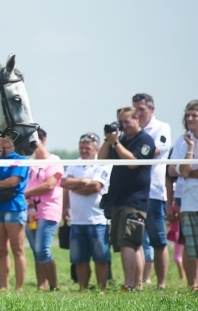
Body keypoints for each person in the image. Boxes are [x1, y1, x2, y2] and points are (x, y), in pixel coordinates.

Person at [100, 106, 156, 291]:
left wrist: (116, 143)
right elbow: (100, 158)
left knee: (128, 243)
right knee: (131, 244)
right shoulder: (121, 139)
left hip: (134, 201)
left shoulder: (145, 140)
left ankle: (130, 284)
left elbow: (132, 163)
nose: (124, 126)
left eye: (127, 121)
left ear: (137, 118)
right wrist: (109, 139)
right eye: (120, 122)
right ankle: (135, 285)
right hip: (118, 199)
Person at [61, 132, 111, 290]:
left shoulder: (102, 164)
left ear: (96, 149)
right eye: (81, 147)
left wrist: (74, 187)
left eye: (87, 148)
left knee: (101, 258)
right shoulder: (73, 163)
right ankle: (83, 288)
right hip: (77, 220)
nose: (83, 150)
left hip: (98, 220)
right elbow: (63, 183)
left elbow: (96, 187)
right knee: (79, 259)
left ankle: (102, 288)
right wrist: (82, 182)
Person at [132, 93, 172, 289]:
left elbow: (155, 151)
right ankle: (139, 281)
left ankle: (161, 283)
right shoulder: (130, 130)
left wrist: (135, 150)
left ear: (151, 109)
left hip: (154, 192)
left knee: (158, 240)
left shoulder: (162, 128)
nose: (138, 114)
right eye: (135, 110)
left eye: (141, 109)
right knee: (136, 240)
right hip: (134, 193)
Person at [0, 137, 29, 291]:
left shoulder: (21, 158)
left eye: (8, 137)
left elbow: (13, 181)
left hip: (14, 206)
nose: (4, 139)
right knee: (1, 250)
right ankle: (3, 287)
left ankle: (19, 287)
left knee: (17, 249)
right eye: (2, 136)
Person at [23, 127, 64, 291]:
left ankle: (54, 286)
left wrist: (25, 194)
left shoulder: (54, 160)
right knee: (36, 251)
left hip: (48, 211)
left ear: (43, 140)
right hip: (31, 212)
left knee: (42, 249)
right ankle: (42, 286)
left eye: (35, 141)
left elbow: (50, 185)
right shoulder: (29, 163)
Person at [171, 100, 198, 289]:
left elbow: (187, 172)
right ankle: (193, 286)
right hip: (189, 201)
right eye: (188, 115)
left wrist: (190, 172)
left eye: (194, 115)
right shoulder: (184, 141)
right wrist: (190, 149)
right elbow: (184, 171)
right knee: (191, 247)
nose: (189, 118)